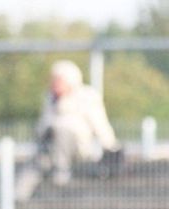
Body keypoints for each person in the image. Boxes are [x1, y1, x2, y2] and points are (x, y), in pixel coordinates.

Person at [16, 60, 121, 200]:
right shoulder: (50, 98)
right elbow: (42, 124)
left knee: (62, 130)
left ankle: (61, 173)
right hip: (51, 149)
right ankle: (16, 198)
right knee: (34, 165)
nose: (54, 83)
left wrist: (110, 145)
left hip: (78, 149)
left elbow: (100, 123)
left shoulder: (87, 96)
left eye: (59, 80)